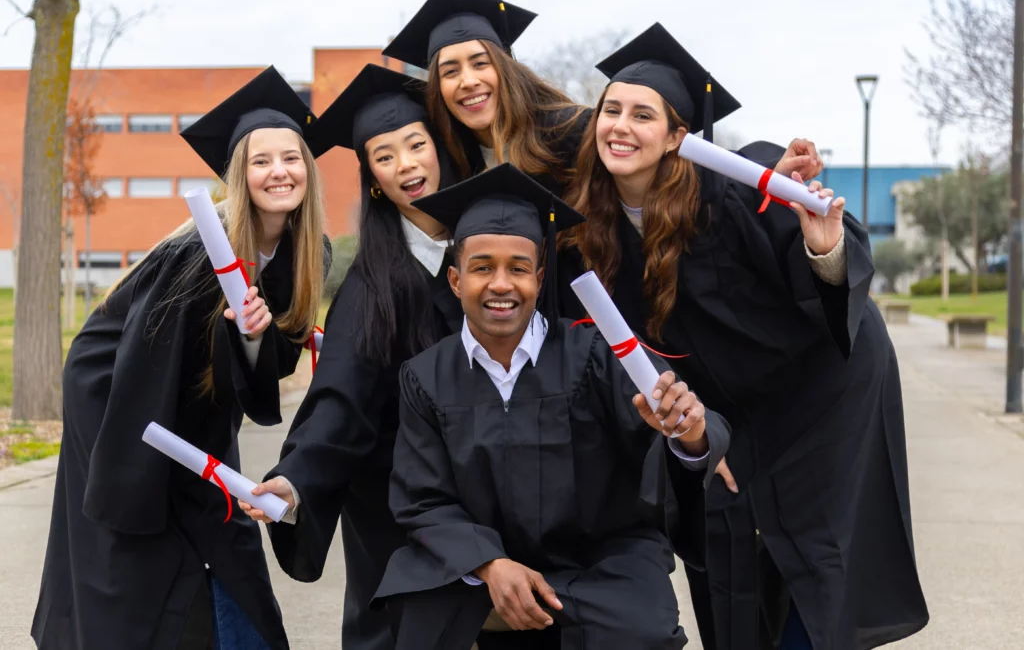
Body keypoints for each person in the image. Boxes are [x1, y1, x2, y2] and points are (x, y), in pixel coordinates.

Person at [559, 23, 929, 649]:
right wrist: (702, 434)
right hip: (726, 408)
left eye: (643, 114)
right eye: (611, 110)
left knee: (819, 557)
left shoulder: (741, 180)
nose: (620, 126)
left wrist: (824, 247)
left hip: (825, 390)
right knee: (727, 541)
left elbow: (831, 269)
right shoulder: (590, 228)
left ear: (679, 135)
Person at [370, 163, 731, 650]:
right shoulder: (425, 377)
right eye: (482, 268)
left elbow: (681, 423)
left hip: (599, 563)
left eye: (518, 268)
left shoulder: (600, 354)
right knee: (418, 606)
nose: (501, 284)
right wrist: (489, 563)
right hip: (486, 564)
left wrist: (689, 435)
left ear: (540, 279)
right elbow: (423, 498)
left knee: (641, 629)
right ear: (455, 280)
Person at [31, 66, 330, 650]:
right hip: (121, 399)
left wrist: (250, 338)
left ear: (308, 170)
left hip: (197, 409)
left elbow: (270, 371)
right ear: (239, 176)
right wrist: (138, 477)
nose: (278, 172)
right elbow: (144, 359)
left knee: (220, 534)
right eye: (261, 161)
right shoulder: (198, 255)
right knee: (139, 543)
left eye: (290, 158)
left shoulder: (305, 250)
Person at [238, 64, 462, 650]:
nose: (406, 165)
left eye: (417, 145)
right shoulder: (372, 287)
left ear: (442, 148)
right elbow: (340, 397)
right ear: (372, 180)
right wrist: (295, 478)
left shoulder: (495, 249)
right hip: (403, 504)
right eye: (384, 157)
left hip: (505, 490)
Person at [383, 0, 826, 196]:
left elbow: (671, 157)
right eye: (450, 71)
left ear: (506, 67)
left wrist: (766, 172)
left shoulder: (567, 130)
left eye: (480, 63)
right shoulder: (445, 152)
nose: (468, 81)